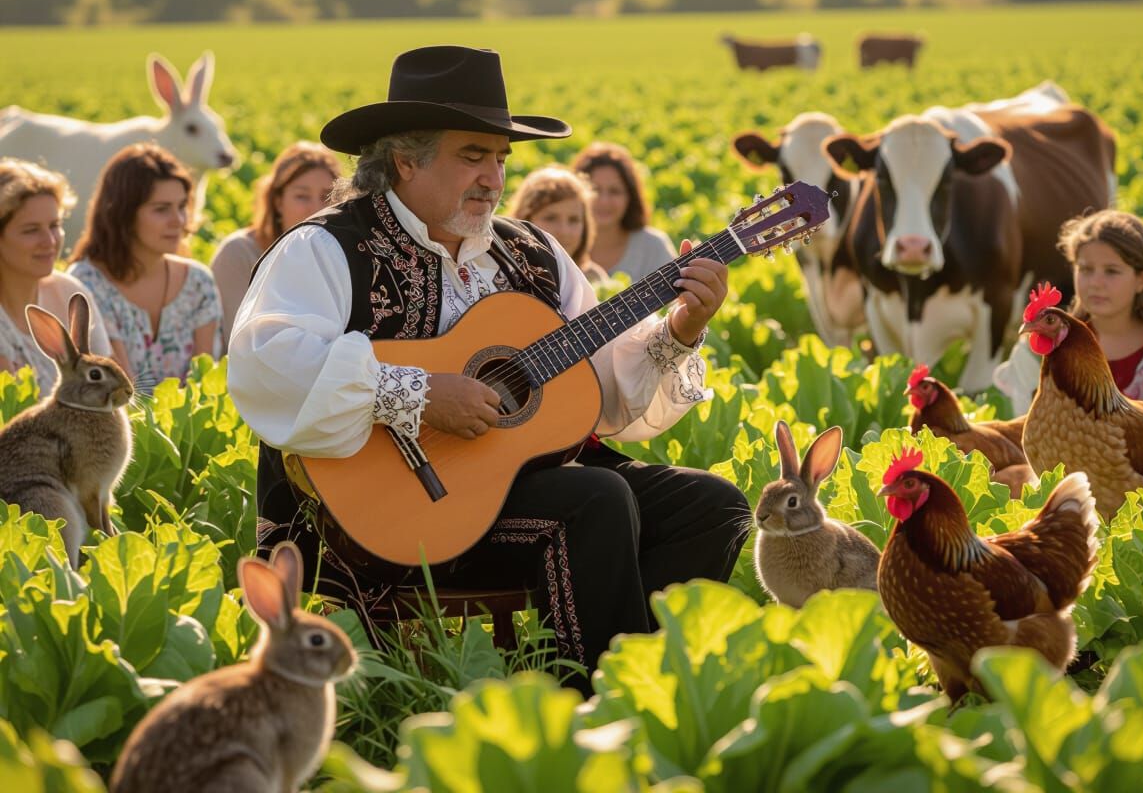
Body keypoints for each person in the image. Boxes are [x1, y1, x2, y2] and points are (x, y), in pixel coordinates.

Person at [227, 45, 750, 695]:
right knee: (597, 498)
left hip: (518, 483)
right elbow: (266, 363)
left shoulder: (534, 253)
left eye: (501, 158)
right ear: (404, 158)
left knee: (713, 506)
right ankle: (590, 714)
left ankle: (636, 683)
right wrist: (418, 393)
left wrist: (681, 329)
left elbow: (609, 396)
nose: (494, 179)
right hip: (392, 509)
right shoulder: (327, 247)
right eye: (473, 156)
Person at [68, 143, 223, 392]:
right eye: (161, 209)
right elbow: (121, 392)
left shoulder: (198, 281)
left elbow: (204, 385)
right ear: (123, 213)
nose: (178, 221)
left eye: (182, 206)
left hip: (191, 431)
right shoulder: (86, 282)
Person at [994, 209, 1143, 409]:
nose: (1096, 282)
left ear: (1141, 280)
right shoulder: (1040, 349)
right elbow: (1024, 428)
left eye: (1111, 271)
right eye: (1086, 269)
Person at [211, 141, 342, 347]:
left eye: (326, 197)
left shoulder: (341, 259)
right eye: (302, 196)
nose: (316, 209)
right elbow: (240, 344)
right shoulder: (238, 253)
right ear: (278, 201)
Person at [0, 158, 113, 390]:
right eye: (31, 230)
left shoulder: (70, 292)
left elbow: (110, 387)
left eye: (54, 225)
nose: (50, 242)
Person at [572, 141, 676, 280]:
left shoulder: (653, 246)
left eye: (615, 191)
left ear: (630, 197)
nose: (604, 201)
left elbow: (676, 301)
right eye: (595, 190)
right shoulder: (562, 244)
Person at [505, 164, 608, 284]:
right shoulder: (503, 275)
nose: (564, 231)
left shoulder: (592, 278)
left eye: (573, 220)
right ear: (524, 220)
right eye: (550, 218)